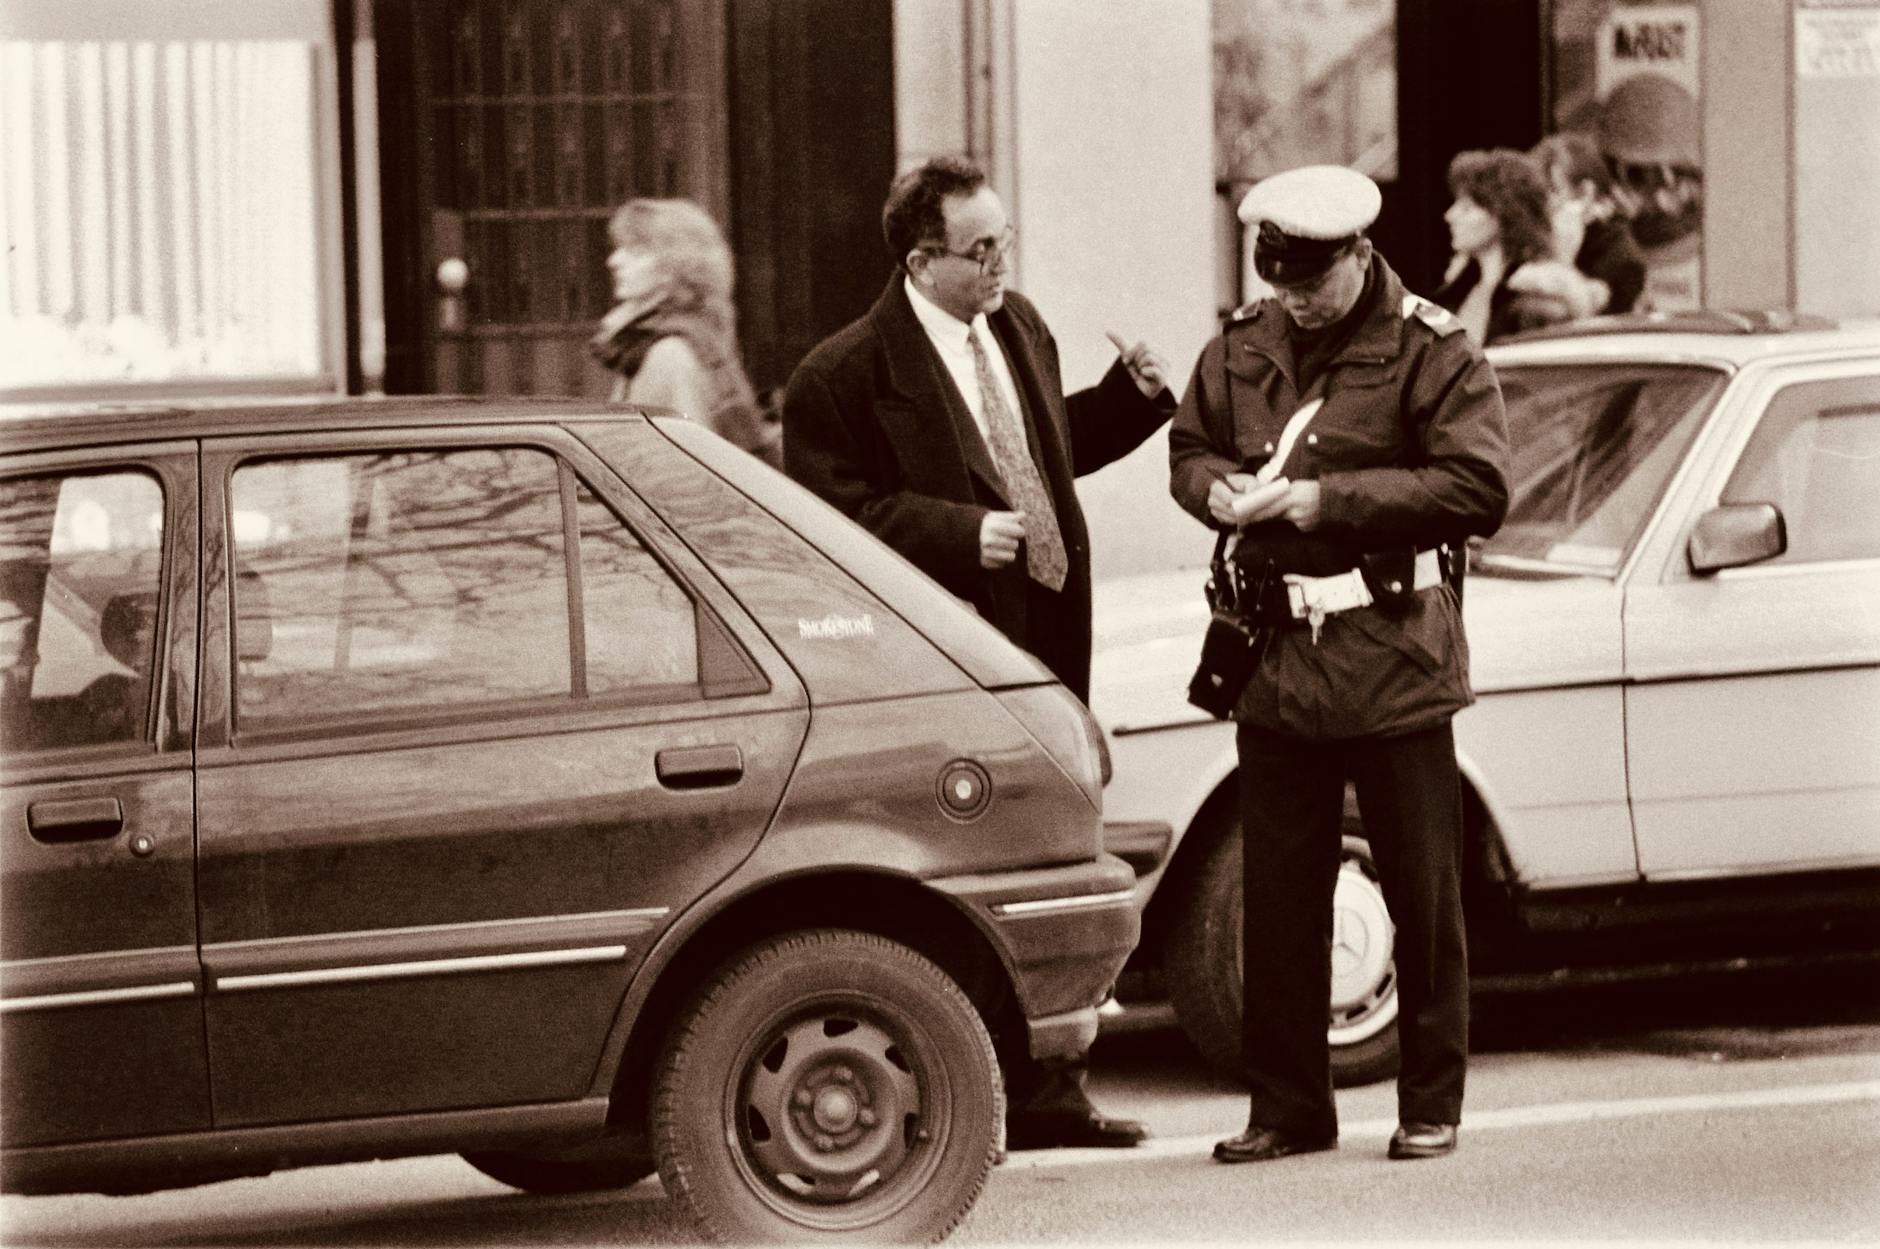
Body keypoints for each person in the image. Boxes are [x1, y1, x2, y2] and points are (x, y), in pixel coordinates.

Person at [782, 154, 1175, 1150]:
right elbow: (832, 519)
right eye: (980, 249)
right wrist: (960, 533)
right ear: (922, 261)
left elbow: (1043, 452)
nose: (1001, 263)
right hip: (945, 664)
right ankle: (974, 1088)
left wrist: (1126, 399)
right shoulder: (841, 375)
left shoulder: (1019, 326)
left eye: (1004, 241)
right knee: (965, 868)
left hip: (1047, 641)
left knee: (1054, 851)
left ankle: (1053, 1087)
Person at [1168, 164, 1509, 1164]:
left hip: (1392, 657)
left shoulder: (1429, 348)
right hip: (1276, 661)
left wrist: (1325, 505)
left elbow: (1475, 485)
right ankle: (1286, 1105)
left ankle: (1428, 1100)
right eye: (1281, 284)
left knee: (1419, 892)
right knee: (1277, 899)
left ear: (1358, 255)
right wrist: (1217, 491)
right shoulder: (1240, 342)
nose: (1295, 302)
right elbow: (1189, 446)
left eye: (1311, 284)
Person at [591, 198, 779, 466]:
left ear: (674, 266)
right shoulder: (662, 341)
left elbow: (687, 465)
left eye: (635, 251)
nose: (614, 261)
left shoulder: (669, 354)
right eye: (620, 249)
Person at [1429, 148, 1606, 345]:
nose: (1450, 215)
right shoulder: (1457, 290)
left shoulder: (1536, 302)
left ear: (1502, 215)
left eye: (1467, 208)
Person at [1530, 132, 1648, 316]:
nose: (1545, 205)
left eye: (1553, 191)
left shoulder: (1622, 260)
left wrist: (1561, 262)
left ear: (1586, 192)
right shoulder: (1538, 241)